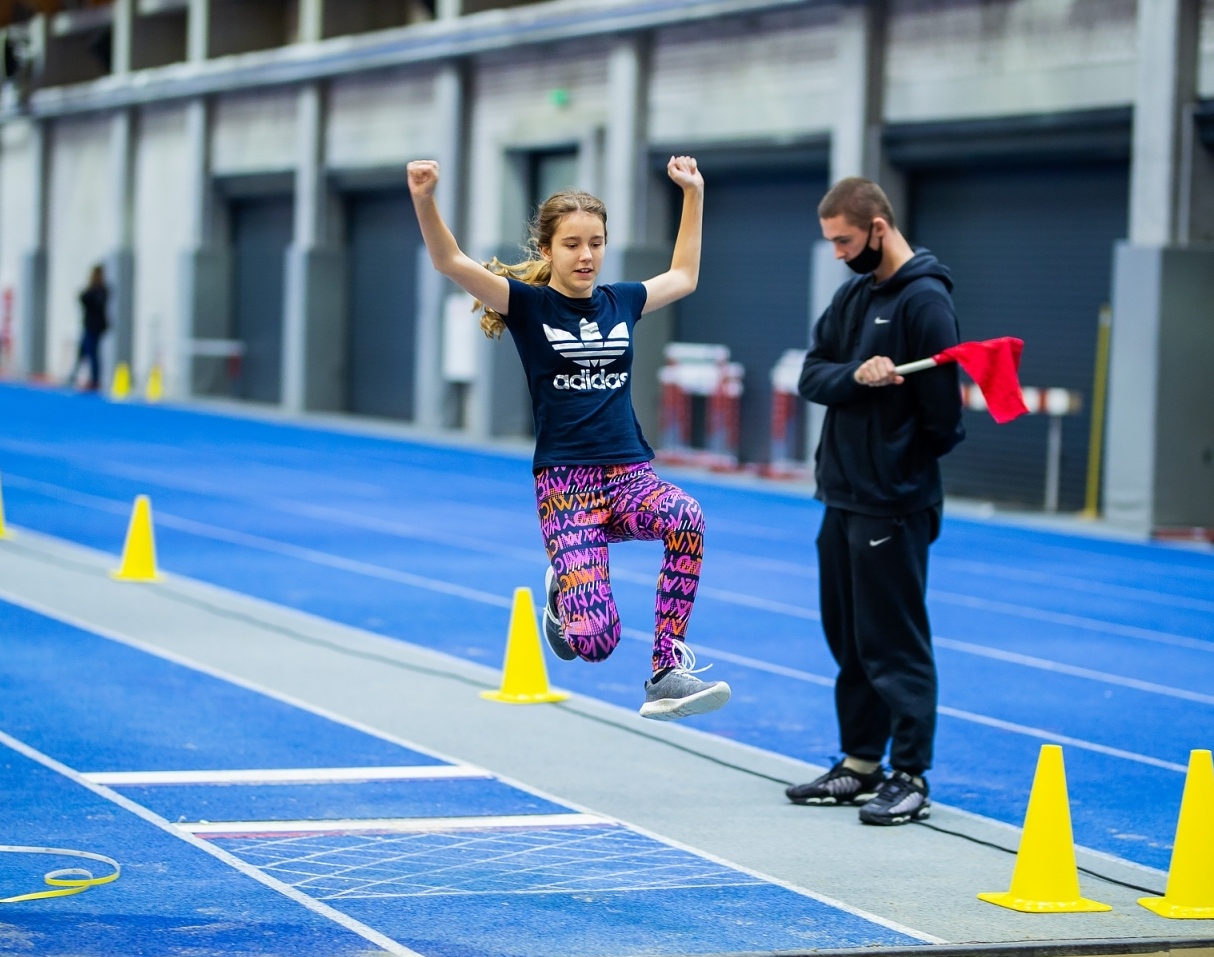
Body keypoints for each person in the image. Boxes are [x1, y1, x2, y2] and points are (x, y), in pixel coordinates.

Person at [407, 156, 730, 721]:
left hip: (630, 475)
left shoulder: (622, 301)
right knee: (595, 642)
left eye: (596, 244)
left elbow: (684, 275)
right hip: (567, 488)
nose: (586, 256)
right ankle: (564, 590)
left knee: (687, 517)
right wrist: (424, 198)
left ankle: (665, 672)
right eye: (573, 245)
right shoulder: (527, 304)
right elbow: (448, 260)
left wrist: (694, 193)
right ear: (548, 249)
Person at [784, 177, 964, 826]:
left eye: (844, 241)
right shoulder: (854, 295)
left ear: (878, 230)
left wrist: (893, 457)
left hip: (893, 501)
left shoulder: (926, 302)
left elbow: (945, 421)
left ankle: (910, 773)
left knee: (894, 641)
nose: (837, 253)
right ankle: (861, 764)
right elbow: (813, 374)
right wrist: (859, 377)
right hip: (842, 495)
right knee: (850, 638)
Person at [74, 264, 109, 391]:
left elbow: (87, 300)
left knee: (92, 353)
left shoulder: (100, 291)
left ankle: (94, 380)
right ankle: (80, 376)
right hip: (90, 325)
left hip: (94, 327)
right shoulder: (97, 290)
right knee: (83, 351)